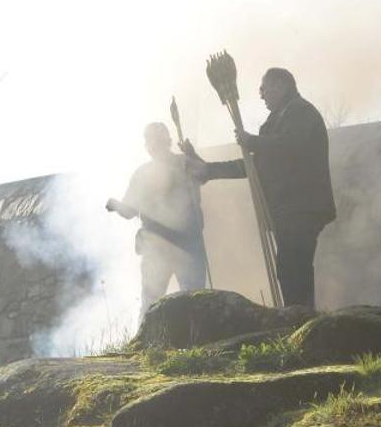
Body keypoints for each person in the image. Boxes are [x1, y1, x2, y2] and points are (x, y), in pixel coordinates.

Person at [191, 67, 336, 310]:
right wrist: (209, 170)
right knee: (289, 269)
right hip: (285, 208)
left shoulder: (302, 112)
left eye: (264, 88)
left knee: (294, 267)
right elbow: (256, 166)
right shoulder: (275, 122)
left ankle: (300, 320)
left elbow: (291, 146)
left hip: (302, 205)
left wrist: (253, 141)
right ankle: (298, 320)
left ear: (281, 85)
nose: (261, 94)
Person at [108, 122, 208, 314]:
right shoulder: (179, 164)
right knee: (184, 299)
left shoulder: (182, 163)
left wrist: (114, 205)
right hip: (171, 243)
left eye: (153, 140)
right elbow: (129, 211)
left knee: (160, 302)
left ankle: (156, 341)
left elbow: (128, 211)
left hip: (172, 243)